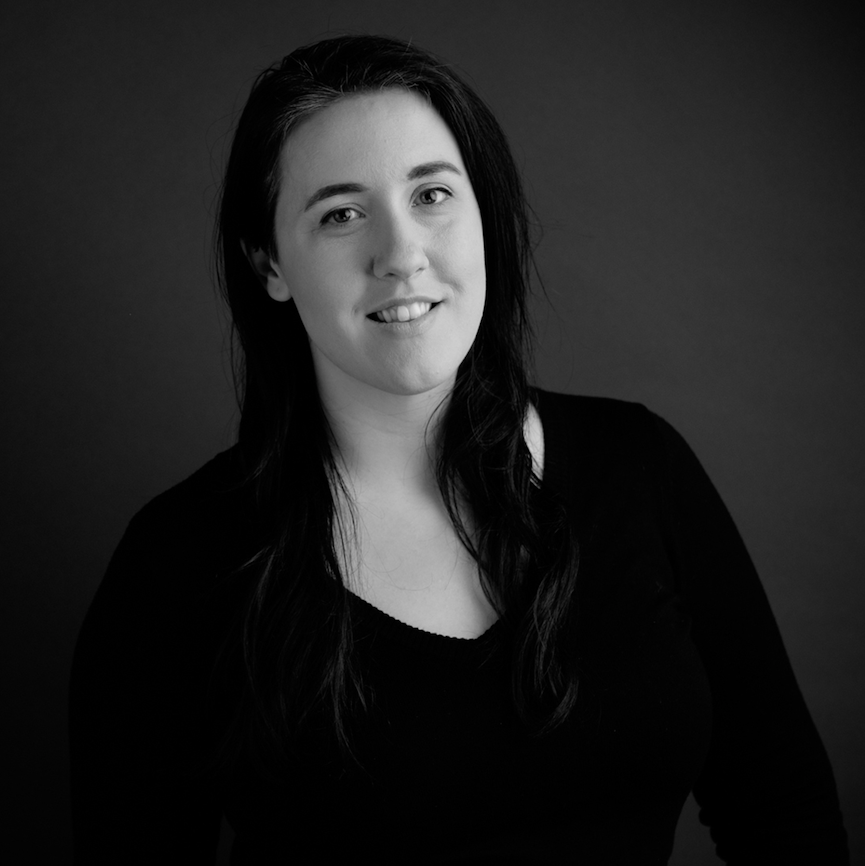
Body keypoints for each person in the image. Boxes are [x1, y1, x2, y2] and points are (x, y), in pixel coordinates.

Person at [69, 34, 848, 865]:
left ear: (484, 216)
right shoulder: (180, 563)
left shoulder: (640, 466)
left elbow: (787, 814)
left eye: (432, 195)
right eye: (340, 214)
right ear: (269, 263)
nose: (401, 254)